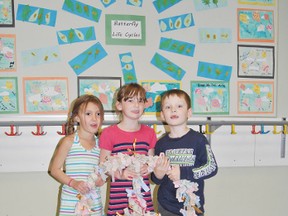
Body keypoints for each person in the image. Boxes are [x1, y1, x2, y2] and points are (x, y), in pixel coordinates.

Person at [151, 89, 218, 216]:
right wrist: (157, 175)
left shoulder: (198, 139)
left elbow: (212, 167)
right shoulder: (161, 144)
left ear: (189, 112)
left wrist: (183, 172)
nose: (173, 110)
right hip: (166, 206)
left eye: (179, 106)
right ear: (162, 115)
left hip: (192, 207)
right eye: (168, 107)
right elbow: (156, 179)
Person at [99, 83, 157, 215]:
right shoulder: (109, 133)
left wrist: (147, 168)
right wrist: (121, 174)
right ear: (119, 105)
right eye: (130, 100)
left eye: (140, 100)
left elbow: (151, 162)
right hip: (119, 203)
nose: (136, 105)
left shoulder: (150, 133)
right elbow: (103, 166)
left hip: (143, 203)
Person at [49, 94, 105, 216]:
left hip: (93, 202)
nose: (94, 118)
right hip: (71, 202)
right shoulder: (69, 141)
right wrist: (73, 183)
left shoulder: (101, 144)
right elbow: (54, 170)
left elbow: (105, 170)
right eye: (88, 114)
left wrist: (103, 179)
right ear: (76, 118)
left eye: (98, 114)